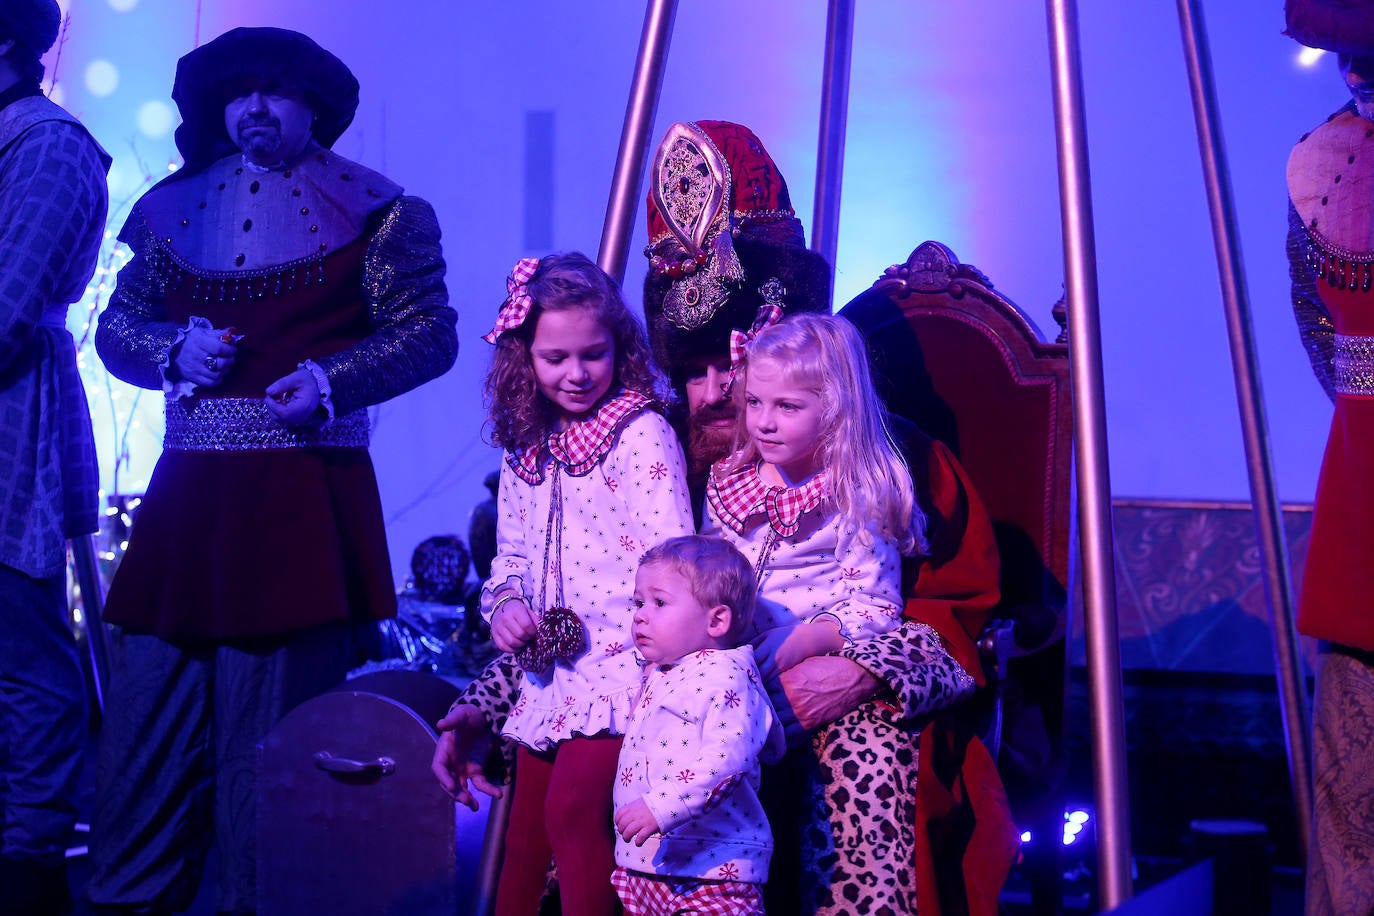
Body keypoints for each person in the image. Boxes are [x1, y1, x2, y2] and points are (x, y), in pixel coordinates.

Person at [434, 120, 1011, 915]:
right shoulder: (661, 447)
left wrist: (859, 669)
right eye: (691, 369)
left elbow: (959, 613)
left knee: (863, 764)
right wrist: (494, 693)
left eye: (727, 367)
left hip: (840, 695)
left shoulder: (888, 460)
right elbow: (601, 606)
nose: (711, 394)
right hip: (675, 695)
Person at [87, 27, 456, 915]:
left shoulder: (381, 211)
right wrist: (173, 350)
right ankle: (129, 899)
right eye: (241, 91)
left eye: (278, 91)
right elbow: (116, 329)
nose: (256, 107)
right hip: (186, 514)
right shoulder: (173, 205)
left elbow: (431, 333)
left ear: (314, 108)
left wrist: (333, 380)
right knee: (146, 729)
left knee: (272, 748)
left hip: (299, 506)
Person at [477, 252, 693, 915]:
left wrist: (659, 661)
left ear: (617, 347)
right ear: (525, 361)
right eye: (554, 359)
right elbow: (508, 560)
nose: (575, 374)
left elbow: (674, 559)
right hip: (553, 679)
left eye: (592, 355)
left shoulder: (641, 434)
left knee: (574, 812)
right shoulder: (527, 448)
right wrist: (508, 606)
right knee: (523, 831)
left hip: (624, 670)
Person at [0, 3, 110, 914]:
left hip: (9, 437)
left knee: (26, 667)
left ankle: (29, 876)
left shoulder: (49, 146)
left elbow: (4, 310)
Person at [1283, 6, 1374, 913]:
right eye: (1349, 57)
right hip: (1363, 500)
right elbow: (1329, 351)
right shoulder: (1325, 166)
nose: (1352, 74)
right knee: (1355, 807)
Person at [612, 535, 784, 916]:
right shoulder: (663, 671)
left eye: (658, 602)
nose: (640, 614)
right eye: (638, 603)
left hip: (713, 871)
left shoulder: (728, 677)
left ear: (717, 619)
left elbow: (727, 762)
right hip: (648, 867)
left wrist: (661, 807)